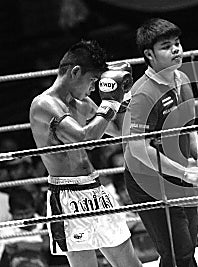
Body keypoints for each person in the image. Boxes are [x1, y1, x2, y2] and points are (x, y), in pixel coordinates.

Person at [29, 40, 142, 267]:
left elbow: (119, 129)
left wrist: (124, 98)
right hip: (67, 196)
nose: (93, 88)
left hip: (96, 189)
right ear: (75, 72)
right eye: (92, 80)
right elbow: (84, 138)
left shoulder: (82, 102)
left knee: (131, 264)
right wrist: (109, 104)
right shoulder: (44, 104)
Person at [124, 18, 198, 267]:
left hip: (179, 174)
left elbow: (189, 126)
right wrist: (184, 171)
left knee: (186, 249)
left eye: (177, 43)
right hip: (148, 179)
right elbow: (137, 148)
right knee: (176, 254)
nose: (176, 49)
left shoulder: (182, 80)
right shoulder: (143, 93)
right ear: (149, 54)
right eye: (166, 46)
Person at [0, 187, 49, 267]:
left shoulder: (45, 224)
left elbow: (49, 247)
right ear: (11, 213)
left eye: (27, 213)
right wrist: (39, 246)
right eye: (19, 215)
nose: (24, 218)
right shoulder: (5, 230)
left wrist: (19, 245)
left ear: (34, 209)